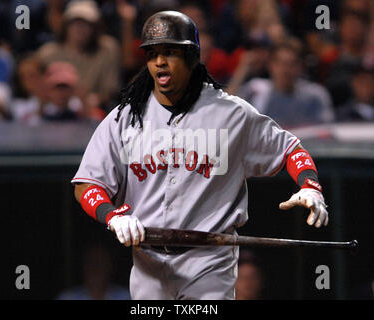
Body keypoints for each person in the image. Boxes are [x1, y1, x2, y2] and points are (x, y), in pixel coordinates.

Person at [72, 11, 329, 300]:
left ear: (192, 56)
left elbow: (290, 150)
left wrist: (310, 185)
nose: (159, 61)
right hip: (148, 263)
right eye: (152, 53)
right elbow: (87, 184)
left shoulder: (230, 113)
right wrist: (112, 216)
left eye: (169, 52)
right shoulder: (125, 117)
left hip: (209, 261)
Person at [238, 40, 335, 129]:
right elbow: (226, 110)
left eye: (291, 64)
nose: (285, 70)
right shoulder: (256, 91)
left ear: (300, 67)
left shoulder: (315, 96)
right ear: (270, 65)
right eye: (281, 63)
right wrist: (242, 69)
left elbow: (325, 131)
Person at [57, 244, 131, 300]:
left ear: (110, 267)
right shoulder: (67, 298)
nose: (95, 268)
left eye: (100, 263)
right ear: (84, 266)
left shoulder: (126, 297)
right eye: (91, 262)